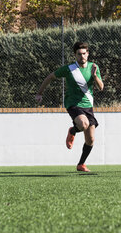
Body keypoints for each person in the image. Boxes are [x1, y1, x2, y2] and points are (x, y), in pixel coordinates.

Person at [35, 42, 104, 172]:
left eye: (84, 54)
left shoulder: (94, 67)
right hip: (73, 104)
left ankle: (81, 164)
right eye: (79, 54)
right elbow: (50, 77)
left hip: (88, 106)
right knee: (83, 124)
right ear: (75, 55)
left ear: (88, 54)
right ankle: (73, 131)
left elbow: (101, 87)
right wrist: (39, 93)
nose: (82, 56)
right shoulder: (69, 69)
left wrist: (95, 76)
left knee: (91, 139)